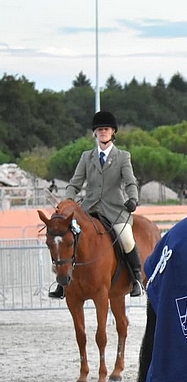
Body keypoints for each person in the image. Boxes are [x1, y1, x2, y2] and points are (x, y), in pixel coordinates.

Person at [50, 111, 142, 299]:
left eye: (106, 129)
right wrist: (68, 203)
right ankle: (62, 284)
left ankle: (136, 278)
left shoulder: (123, 157)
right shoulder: (86, 157)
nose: (103, 132)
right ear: (95, 133)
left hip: (115, 210)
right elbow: (74, 183)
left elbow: (130, 182)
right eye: (100, 130)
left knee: (126, 239)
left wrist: (133, 198)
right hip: (89, 210)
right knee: (67, 239)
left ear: (112, 132)